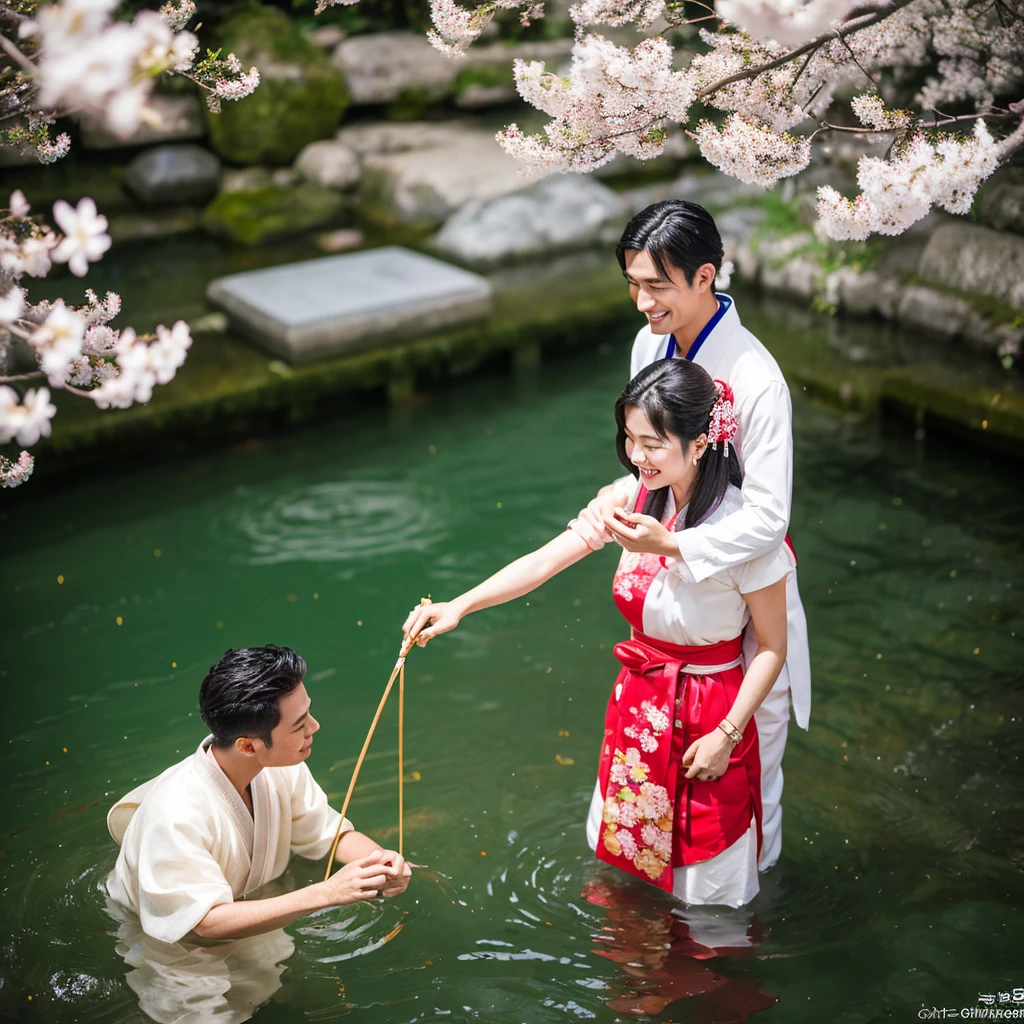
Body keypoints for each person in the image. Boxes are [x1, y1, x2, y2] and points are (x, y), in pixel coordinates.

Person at [404, 359, 790, 907]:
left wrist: (726, 736)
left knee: (709, 894)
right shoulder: (630, 498)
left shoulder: (744, 531)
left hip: (710, 712)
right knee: (625, 872)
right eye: (630, 439)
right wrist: (460, 606)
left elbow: (773, 646)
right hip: (639, 705)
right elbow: (543, 561)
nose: (637, 457)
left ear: (701, 442)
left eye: (653, 443)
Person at [571, 200, 812, 872]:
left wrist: (675, 545)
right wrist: (620, 490)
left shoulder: (759, 379)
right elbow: (647, 444)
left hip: (741, 569)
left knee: (744, 766)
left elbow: (769, 517)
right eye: (632, 283)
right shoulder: (650, 341)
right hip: (667, 555)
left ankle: (735, 908)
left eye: (656, 285)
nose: (641, 302)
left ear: (705, 276)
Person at [105, 644, 412, 944]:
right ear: (248, 745)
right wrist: (327, 893)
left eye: (309, 714)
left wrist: (380, 863)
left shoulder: (281, 765)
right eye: (299, 726)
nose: (315, 727)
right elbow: (205, 922)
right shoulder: (175, 814)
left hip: (257, 916)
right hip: (172, 948)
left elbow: (329, 834)